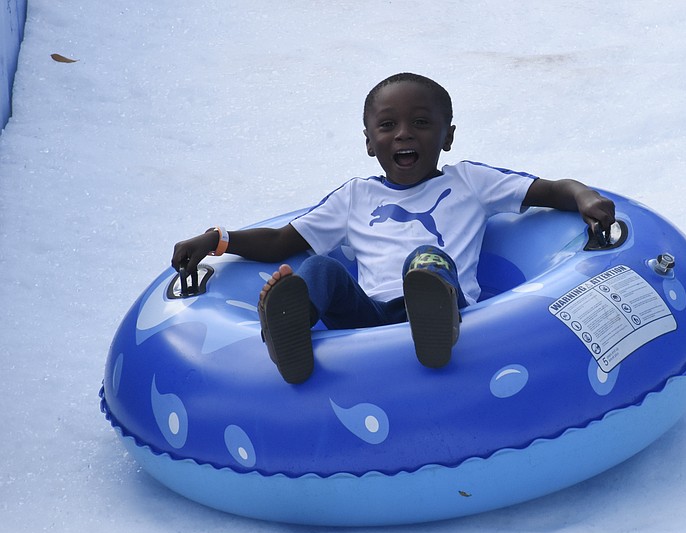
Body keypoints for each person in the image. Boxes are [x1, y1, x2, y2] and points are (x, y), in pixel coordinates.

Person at [172, 72, 615, 384]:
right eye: (388, 126)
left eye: (421, 123)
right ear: (369, 141)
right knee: (321, 269)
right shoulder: (355, 196)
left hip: (446, 305)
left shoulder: (470, 182)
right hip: (369, 318)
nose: (404, 134)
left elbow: (548, 190)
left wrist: (584, 197)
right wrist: (217, 239)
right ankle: (290, 331)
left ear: (447, 136)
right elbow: (280, 241)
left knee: (426, 260)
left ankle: (434, 329)